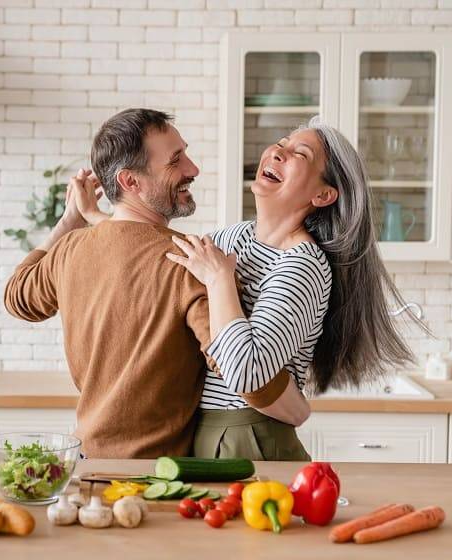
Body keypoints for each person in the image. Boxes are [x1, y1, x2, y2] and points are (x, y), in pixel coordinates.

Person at [76, 116, 418, 460]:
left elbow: (247, 373)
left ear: (323, 194)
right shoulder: (234, 237)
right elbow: (161, 255)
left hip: (251, 436)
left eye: (299, 154)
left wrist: (220, 280)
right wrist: (96, 216)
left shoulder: (303, 265)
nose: (277, 153)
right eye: (281, 144)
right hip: (203, 432)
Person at [3, 109, 300, 459]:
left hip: (86, 466)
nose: (193, 169)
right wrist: (299, 410)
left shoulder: (70, 249)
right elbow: (246, 375)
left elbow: (17, 297)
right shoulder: (190, 263)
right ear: (131, 182)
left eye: (185, 152)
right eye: (176, 161)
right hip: (157, 478)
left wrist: (69, 221)